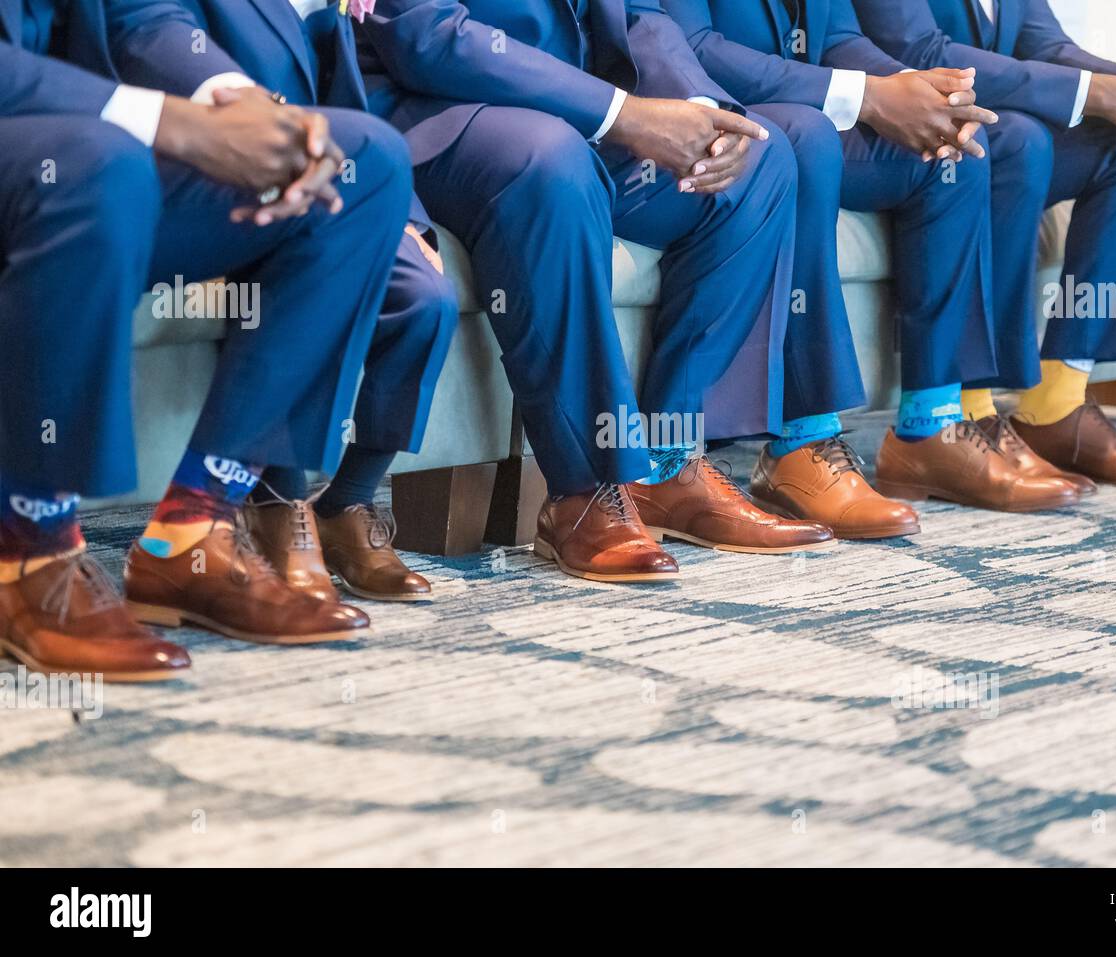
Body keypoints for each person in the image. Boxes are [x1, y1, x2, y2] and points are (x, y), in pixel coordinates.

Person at [0, 0, 413, 677]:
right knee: (100, 164)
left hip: (84, 151)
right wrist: (174, 124)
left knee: (363, 163)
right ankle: (28, 549)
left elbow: (139, 13)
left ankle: (193, 529)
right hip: (71, 158)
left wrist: (244, 106)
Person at [357, 0, 835, 583]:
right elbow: (427, 34)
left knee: (759, 160)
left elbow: (642, 15)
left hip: (581, 113)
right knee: (555, 161)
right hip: (436, 109)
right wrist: (623, 113)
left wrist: (699, 109)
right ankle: (583, 491)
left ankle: (667, 464)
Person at [662, 0, 1084, 517]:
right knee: (807, 135)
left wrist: (916, 90)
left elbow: (838, 36)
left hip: (807, 107)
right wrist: (866, 95)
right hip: (710, 111)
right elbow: (697, 47)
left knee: (950, 147)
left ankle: (933, 423)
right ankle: (802, 443)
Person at [125, 0, 460, 602]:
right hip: (211, 171)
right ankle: (276, 504)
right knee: (285, 278)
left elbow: (347, 104)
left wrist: (404, 216)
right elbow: (148, 43)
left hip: (330, 175)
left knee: (428, 300)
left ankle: (347, 502)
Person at [852, 0, 1116, 485]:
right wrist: (1104, 93)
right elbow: (923, 52)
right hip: (901, 138)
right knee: (1019, 141)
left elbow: (1046, 44)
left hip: (997, 131)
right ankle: (970, 407)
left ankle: (1057, 404)